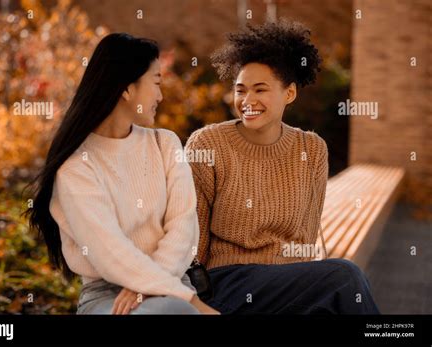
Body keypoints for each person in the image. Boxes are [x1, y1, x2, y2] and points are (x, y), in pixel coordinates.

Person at [185, 20, 380, 314]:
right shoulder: (207, 145)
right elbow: (190, 242)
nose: (247, 100)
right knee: (345, 277)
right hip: (226, 285)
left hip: (286, 286)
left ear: (289, 93)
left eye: (260, 90)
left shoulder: (311, 149)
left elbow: (305, 237)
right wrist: (193, 304)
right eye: (240, 90)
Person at [25, 33, 219, 315]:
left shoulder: (164, 144)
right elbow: (110, 252)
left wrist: (151, 285)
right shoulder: (76, 167)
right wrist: (190, 301)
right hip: (108, 297)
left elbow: (184, 227)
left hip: (173, 281)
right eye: (156, 83)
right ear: (127, 89)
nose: (161, 96)